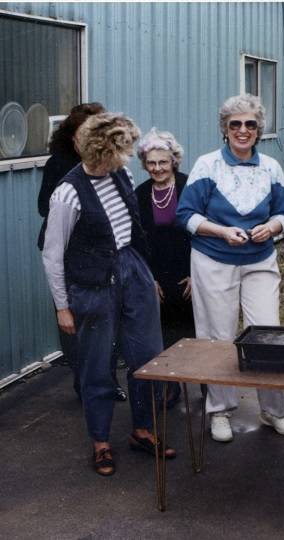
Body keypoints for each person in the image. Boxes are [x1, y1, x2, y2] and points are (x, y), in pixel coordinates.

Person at [42, 112, 175, 476]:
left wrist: (146, 276)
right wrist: (62, 306)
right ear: (93, 153)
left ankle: (142, 429)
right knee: (97, 364)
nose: (115, 165)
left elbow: (131, 227)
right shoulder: (68, 193)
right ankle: (101, 441)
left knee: (147, 355)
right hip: (91, 282)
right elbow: (52, 254)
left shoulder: (122, 174)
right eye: (109, 160)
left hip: (131, 269)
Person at [176, 94, 284, 443]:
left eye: (250, 124)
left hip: (260, 259)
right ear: (225, 129)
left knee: (267, 332)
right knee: (218, 335)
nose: (243, 130)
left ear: (258, 129)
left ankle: (273, 410)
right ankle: (220, 411)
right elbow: (186, 216)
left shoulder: (271, 167)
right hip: (213, 258)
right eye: (235, 124)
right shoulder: (207, 165)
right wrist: (221, 230)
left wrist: (271, 228)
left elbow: (282, 214)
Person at [37, 102, 127, 403]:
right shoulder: (60, 164)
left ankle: (108, 381)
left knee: (107, 326)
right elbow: (43, 207)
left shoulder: (109, 164)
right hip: (68, 251)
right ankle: (83, 382)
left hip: (101, 255)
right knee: (73, 323)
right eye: (84, 132)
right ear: (73, 136)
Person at [136, 128, 194, 408]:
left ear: (174, 161)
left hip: (189, 274)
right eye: (151, 163)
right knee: (161, 332)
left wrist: (197, 273)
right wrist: (149, 278)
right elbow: (137, 240)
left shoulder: (190, 186)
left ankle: (204, 388)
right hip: (156, 275)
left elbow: (202, 232)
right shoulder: (139, 193)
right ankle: (169, 386)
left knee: (193, 331)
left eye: (163, 162)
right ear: (144, 164)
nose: (157, 168)